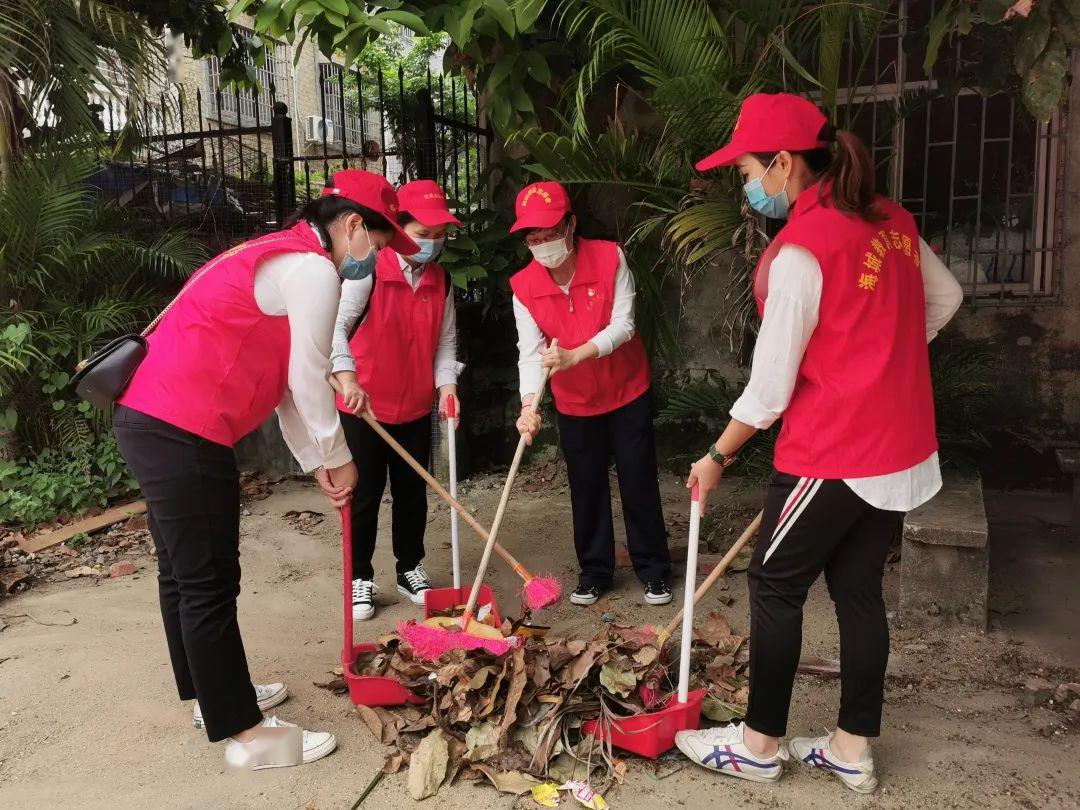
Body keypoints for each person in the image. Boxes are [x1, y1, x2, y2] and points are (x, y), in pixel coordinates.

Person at [673, 93, 964, 793]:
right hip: (900, 446)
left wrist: (715, 458)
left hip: (838, 448)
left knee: (775, 583)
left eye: (747, 170)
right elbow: (946, 298)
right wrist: (885, 356)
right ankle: (850, 747)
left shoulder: (804, 248)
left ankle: (758, 743)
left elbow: (770, 392)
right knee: (859, 588)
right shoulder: (890, 220)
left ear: (781, 163)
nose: (746, 185)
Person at [113, 169, 418, 770]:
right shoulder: (312, 271)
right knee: (207, 582)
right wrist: (340, 458)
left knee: (183, 575)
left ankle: (211, 696)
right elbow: (309, 380)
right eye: (378, 247)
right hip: (180, 426)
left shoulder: (283, 255)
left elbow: (285, 389)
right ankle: (246, 735)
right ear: (354, 225)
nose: (374, 263)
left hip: (155, 420)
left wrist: (319, 464)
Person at [511, 181, 672, 607]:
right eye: (533, 236)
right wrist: (529, 405)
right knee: (586, 486)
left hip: (626, 389)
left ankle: (654, 570)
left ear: (571, 225)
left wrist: (576, 355)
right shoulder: (523, 285)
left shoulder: (609, 257)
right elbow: (530, 353)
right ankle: (595, 572)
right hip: (575, 402)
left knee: (638, 480)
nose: (542, 243)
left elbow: (624, 325)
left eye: (550, 231)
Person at [330, 179, 463, 621]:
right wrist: (347, 379)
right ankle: (359, 576)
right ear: (399, 228)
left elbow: (444, 343)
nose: (431, 244)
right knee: (363, 494)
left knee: (412, 493)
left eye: (439, 235)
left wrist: (446, 386)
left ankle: (410, 567)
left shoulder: (440, 281)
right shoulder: (367, 269)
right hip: (363, 406)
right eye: (423, 234)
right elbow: (336, 329)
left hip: (413, 404)